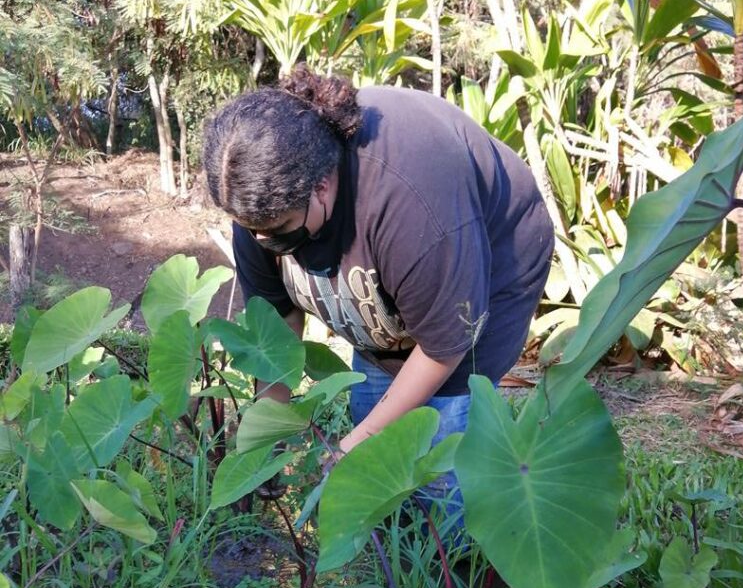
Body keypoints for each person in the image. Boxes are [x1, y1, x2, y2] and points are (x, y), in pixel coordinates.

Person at [202, 66, 554, 510]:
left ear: (323, 185)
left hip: (486, 262)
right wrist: (264, 443)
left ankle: (457, 561)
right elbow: (277, 331)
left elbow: (445, 346)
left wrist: (349, 447)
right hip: (400, 275)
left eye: (281, 228)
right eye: (252, 230)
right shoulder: (260, 208)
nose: (263, 243)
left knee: (436, 464)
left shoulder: (408, 199)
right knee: (376, 448)